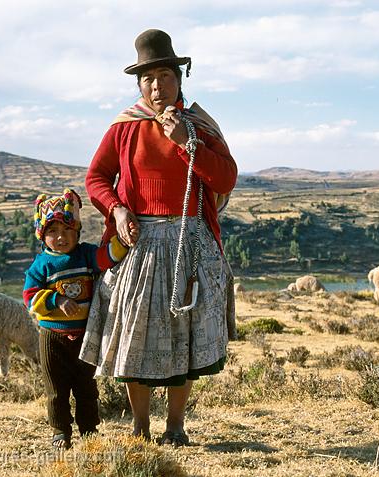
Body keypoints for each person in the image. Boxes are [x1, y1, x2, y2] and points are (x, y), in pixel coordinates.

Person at [79, 29, 237, 447]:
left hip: (190, 240)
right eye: (148, 78)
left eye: (164, 75)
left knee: (184, 333)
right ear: (139, 84)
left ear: (179, 78)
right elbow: (96, 178)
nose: (156, 85)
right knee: (136, 333)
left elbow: (225, 177)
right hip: (140, 243)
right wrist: (115, 208)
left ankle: (176, 426)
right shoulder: (124, 128)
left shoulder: (199, 126)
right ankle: (140, 426)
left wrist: (187, 144)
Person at [23, 188, 130, 449]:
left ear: (77, 230)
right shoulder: (41, 266)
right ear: (42, 235)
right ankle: (60, 431)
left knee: (86, 388)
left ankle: (89, 430)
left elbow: (106, 258)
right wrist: (57, 300)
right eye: (52, 231)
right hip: (52, 338)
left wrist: (124, 241)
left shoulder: (84, 254)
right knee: (56, 390)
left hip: (85, 337)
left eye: (67, 230)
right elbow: (29, 297)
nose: (61, 237)